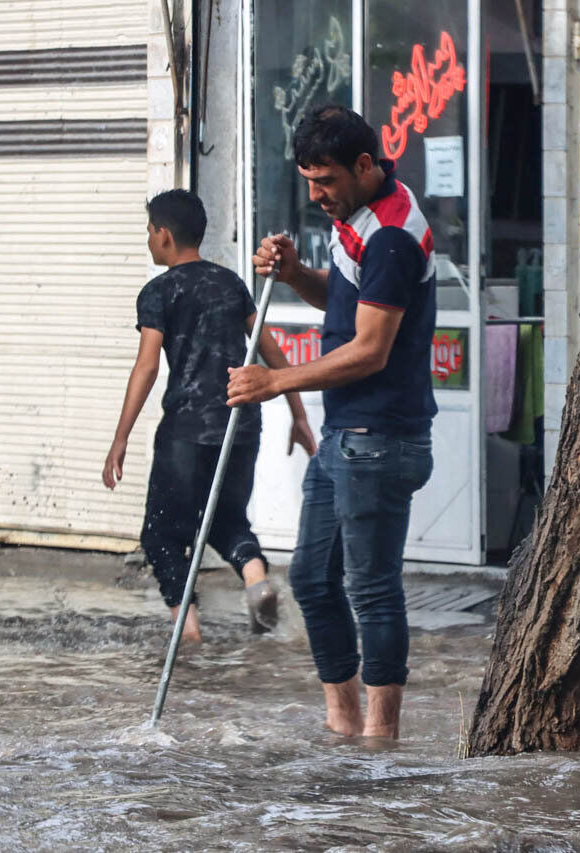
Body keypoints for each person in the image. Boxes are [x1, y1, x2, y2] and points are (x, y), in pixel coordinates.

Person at [227, 105, 436, 738]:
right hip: (345, 436)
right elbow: (347, 298)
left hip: (379, 437)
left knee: (371, 588)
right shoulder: (365, 219)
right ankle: (343, 727)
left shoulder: (394, 236)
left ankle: (382, 737)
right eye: (308, 181)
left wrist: (275, 381)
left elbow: (371, 349)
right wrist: (293, 275)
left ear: (365, 166)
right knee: (314, 581)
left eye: (327, 181)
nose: (316, 196)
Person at [103, 189, 317, 643]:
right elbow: (269, 346)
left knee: (162, 534)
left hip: (186, 429)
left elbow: (146, 366)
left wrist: (120, 438)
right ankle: (257, 580)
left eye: (148, 232)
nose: (147, 240)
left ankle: (190, 632)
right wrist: (297, 413)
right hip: (242, 423)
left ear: (163, 236)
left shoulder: (158, 292)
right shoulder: (229, 282)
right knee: (226, 521)